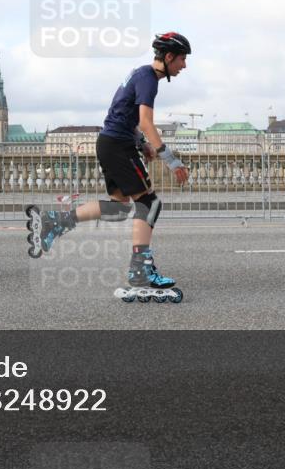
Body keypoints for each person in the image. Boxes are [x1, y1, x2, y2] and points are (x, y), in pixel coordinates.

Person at [26, 32, 191, 302]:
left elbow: (121, 113)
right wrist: (171, 161)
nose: (183, 66)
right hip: (117, 145)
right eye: (182, 59)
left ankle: (55, 222)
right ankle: (140, 271)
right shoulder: (149, 79)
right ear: (169, 57)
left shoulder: (140, 75)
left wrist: (141, 143)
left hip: (110, 142)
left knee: (119, 207)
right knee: (149, 204)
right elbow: (146, 122)